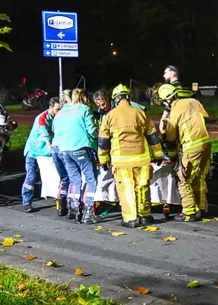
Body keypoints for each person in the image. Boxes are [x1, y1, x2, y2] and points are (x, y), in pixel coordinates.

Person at [98, 84, 163, 228]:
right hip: (141, 158)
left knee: (126, 188)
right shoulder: (140, 112)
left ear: (115, 99)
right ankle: (144, 215)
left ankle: (130, 218)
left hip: (121, 160)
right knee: (143, 186)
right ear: (129, 97)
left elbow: (103, 142)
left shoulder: (110, 116)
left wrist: (104, 159)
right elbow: (153, 136)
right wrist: (158, 155)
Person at [157, 83, 211, 221]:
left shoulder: (174, 110)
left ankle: (189, 212)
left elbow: (170, 137)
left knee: (183, 179)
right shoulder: (194, 101)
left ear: (166, 100)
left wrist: (173, 155)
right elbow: (205, 118)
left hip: (191, 146)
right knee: (198, 177)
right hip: (206, 143)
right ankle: (200, 207)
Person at [53, 88, 98, 224]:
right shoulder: (84, 109)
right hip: (80, 147)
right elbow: (91, 131)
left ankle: (74, 209)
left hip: (64, 150)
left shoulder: (61, 113)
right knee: (90, 178)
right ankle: (87, 212)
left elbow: (55, 130)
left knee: (74, 179)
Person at [21, 98, 63, 213]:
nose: (58, 112)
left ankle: (59, 199)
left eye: (60, 109)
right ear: (50, 108)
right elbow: (47, 137)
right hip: (33, 152)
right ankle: (26, 202)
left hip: (46, 153)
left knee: (56, 175)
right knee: (31, 176)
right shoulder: (42, 118)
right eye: (57, 109)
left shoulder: (56, 117)